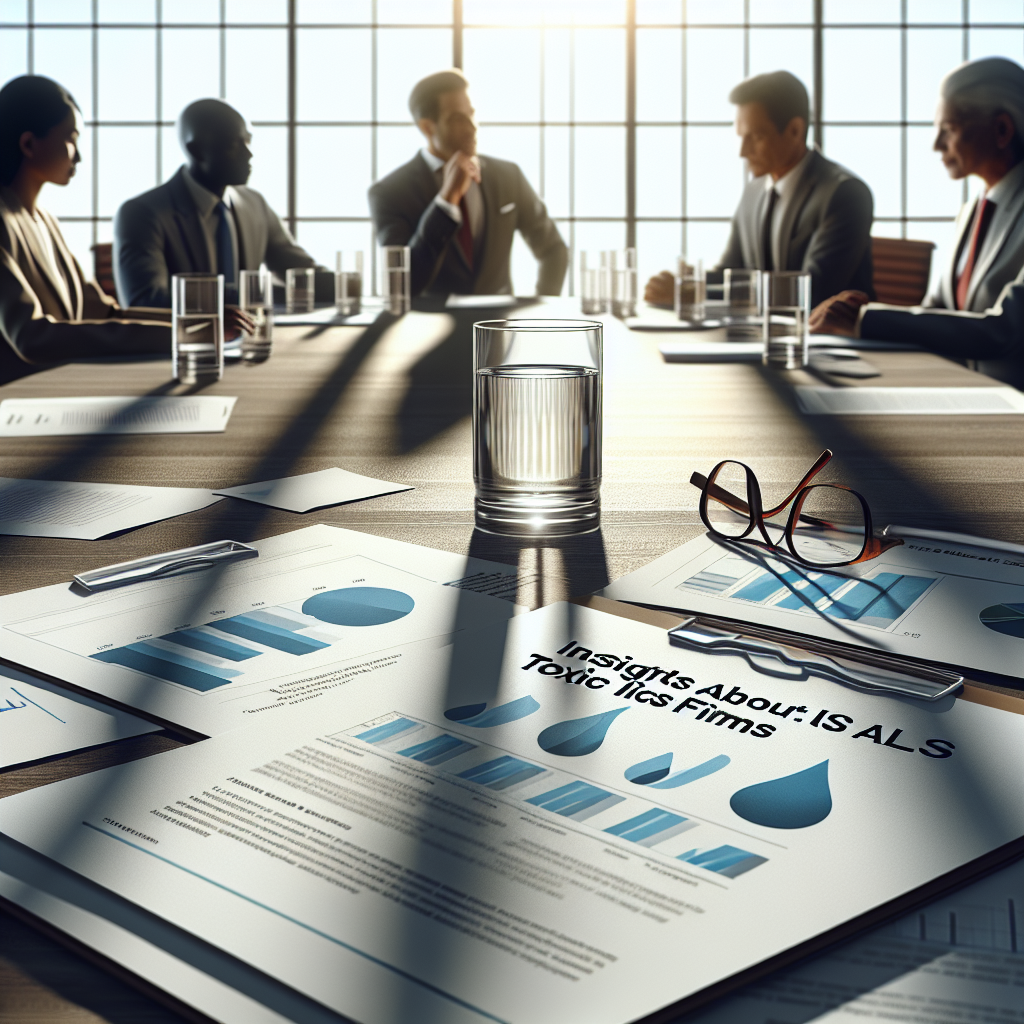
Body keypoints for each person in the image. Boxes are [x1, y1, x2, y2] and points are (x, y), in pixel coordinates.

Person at [810, 57, 1024, 388]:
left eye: (948, 130)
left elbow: (1004, 332)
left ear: (1002, 130)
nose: (936, 144)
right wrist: (863, 311)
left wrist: (867, 321)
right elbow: (936, 310)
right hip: (956, 393)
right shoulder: (972, 212)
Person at [645, 71, 874, 309]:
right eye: (741, 137)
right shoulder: (754, 192)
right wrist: (685, 285)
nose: (742, 152)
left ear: (795, 130)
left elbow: (812, 291)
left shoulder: (845, 194)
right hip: (759, 335)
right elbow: (731, 273)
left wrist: (698, 293)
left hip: (831, 340)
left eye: (756, 136)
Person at [0, 75, 172, 370]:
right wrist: (182, 335)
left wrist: (199, 322)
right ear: (28, 144)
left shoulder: (46, 221)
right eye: (71, 139)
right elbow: (31, 336)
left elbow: (104, 313)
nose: (78, 156)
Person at [368, 68, 568, 298]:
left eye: (471, 114)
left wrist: (542, 310)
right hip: (426, 330)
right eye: (457, 119)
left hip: (497, 327)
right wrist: (445, 202)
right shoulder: (390, 193)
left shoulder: (508, 176)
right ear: (427, 127)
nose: (473, 127)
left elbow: (553, 249)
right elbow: (402, 284)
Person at [114, 98, 331, 309]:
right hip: (184, 344)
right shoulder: (142, 213)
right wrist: (256, 294)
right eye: (232, 144)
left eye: (247, 141)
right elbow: (145, 301)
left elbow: (301, 272)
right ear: (196, 151)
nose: (248, 154)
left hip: (253, 342)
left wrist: (346, 285)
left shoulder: (255, 204)